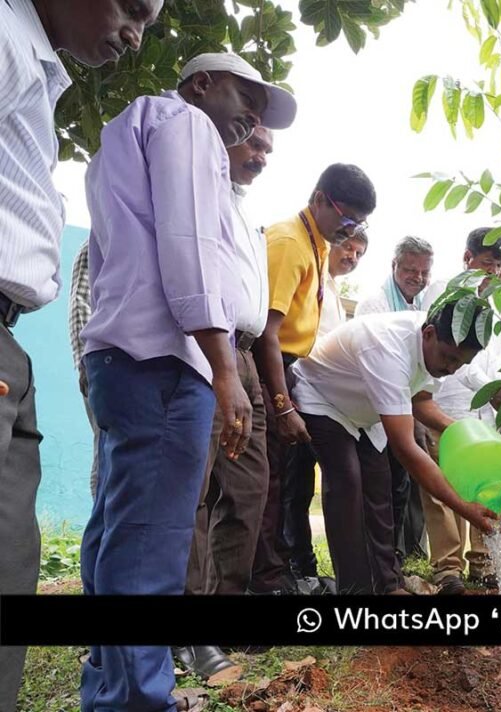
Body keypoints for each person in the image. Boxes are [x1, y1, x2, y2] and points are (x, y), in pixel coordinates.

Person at [78, 52, 295, 711]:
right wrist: (225, 370)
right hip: (170, 362)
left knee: (118, 531)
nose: (252, 116)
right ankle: (141, 698)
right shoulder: (188, 126)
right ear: (201, 84)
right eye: (244, 97)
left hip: (124, 357)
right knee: (152, 543)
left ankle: (111, 685)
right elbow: (188, 245)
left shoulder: (126, 128)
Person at [1, 1, 161, 705]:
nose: (136, 35)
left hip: (9, 339)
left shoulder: (31, 64)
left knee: (11, 559)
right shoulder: (5, 41)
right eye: (132, 8)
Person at [288, 301, 499, 594]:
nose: (450, 369)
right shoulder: (387, 347)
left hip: (364, 410)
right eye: (449, 359)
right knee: (347, 482)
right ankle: (356, 592)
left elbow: (421, 401)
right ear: (428, 334)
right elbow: (406, 449)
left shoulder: (434, 353)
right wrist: (464, 508)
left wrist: (465, 434)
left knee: (379, 490)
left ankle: (388, 585)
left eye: (459, 364)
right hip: (320, 395)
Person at [174, 125, 278, 687]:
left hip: (247, 362)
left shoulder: (248, 219)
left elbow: (256, 309)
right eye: (252, 143)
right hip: (207, 351)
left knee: (247, 488)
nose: (260, 157)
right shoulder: (196, 196)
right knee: (195, 491)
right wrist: (222, 369)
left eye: (267, 150)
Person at [249, 162, 376, 594]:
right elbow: (265, 331)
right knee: (264, 483)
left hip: (293, 369)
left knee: (287, 481)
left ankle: (283, 571)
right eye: (346, 217)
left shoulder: (317, 243)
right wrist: (282, 404)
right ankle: (265, 583)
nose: (351, 230)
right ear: (320, 198)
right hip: (269, 366)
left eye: (359, 223)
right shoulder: (288, 242)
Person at [418, 228, 501, 594]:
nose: (492, 273)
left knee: (484, 484)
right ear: (467, 258)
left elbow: (497, 358)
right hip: (444, 403)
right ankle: (448, 568)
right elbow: (459, 357)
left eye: (499, 266)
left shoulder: (498, 303)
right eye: (487, 263)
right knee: (442, 488)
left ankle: (483, 561)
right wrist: (489, 388)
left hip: (483, 416)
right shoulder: (446, 293)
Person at [282, 231, 367, 585]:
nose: (352, 255)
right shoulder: (310, 274)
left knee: (313, 485)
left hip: (327, 401)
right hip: (300, 391)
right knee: (293, 487)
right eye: (348, 245)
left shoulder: (333, 289)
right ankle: (296, 566)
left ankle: (308, 567)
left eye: (360, 252)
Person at [355, 235, 436, 561]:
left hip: (405, 408)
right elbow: (378, 368)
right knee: (378, 489)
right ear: (394, 266)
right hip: (373, 413)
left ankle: (395, 558)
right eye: (409, 269)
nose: (417, 277)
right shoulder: (374, 304)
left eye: (423, 272)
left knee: (400, 486)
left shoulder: (421, 308)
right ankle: (375, 563)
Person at [68, 239, 99, 497]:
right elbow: (81, 305)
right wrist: (86, 365)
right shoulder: (95, 243)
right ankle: (101, 537)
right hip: (103, 367)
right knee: (107, 455)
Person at [357, 235, 434, 314]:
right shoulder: (372, 305)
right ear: (394, 265)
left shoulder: (430, 303)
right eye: (411, 270)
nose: (418, 278)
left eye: (425, 272)